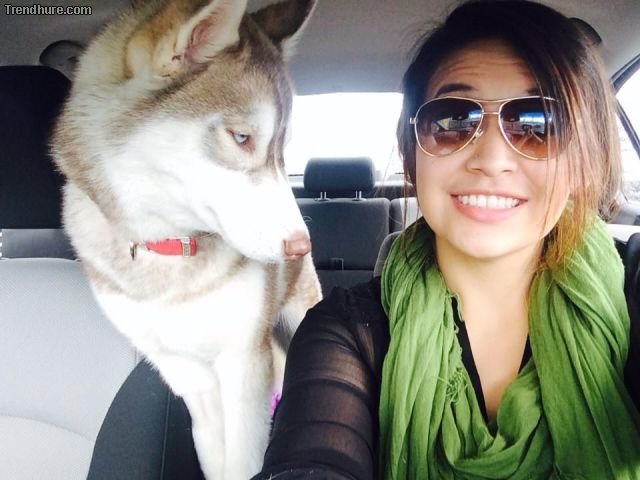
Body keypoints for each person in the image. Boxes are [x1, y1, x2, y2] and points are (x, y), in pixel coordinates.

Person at [253, 1, 640, 478]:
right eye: (452, 121)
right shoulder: (345, 334)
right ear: (411, 154)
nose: (492, 159)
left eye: (538, 125)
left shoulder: (630, 290)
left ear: (582, 163)